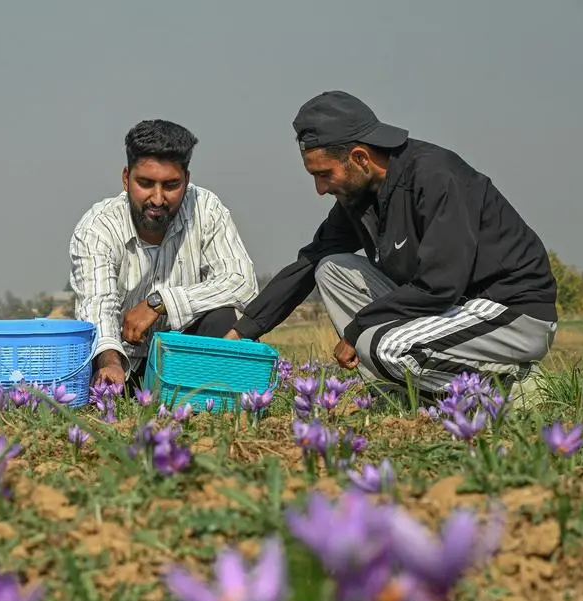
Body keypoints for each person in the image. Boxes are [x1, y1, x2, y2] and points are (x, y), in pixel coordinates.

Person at [225, 91, 558, 403]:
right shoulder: (360, 196)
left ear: (360, 157)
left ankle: (512, 386)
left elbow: (439, 285)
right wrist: (242, 332)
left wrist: (358, 329)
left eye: (324, 174)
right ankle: (401, 389)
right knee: (330, 269)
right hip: (451, 310)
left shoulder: (437, 176)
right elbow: (310, 261)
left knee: (385, 347)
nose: (320, 188)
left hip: (509, 312)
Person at [69, 119, 259, 390]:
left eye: (171, 185)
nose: (157, 199)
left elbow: (242, 284)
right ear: (126, 179)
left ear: (187, 180)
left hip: (187, 356)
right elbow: (98, 306)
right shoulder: (98, 228)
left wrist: (161, 303)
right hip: (126, 364)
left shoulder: (206, 209)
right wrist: (109, 362)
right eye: (145, 183)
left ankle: (219, 398)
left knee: (224, 317)